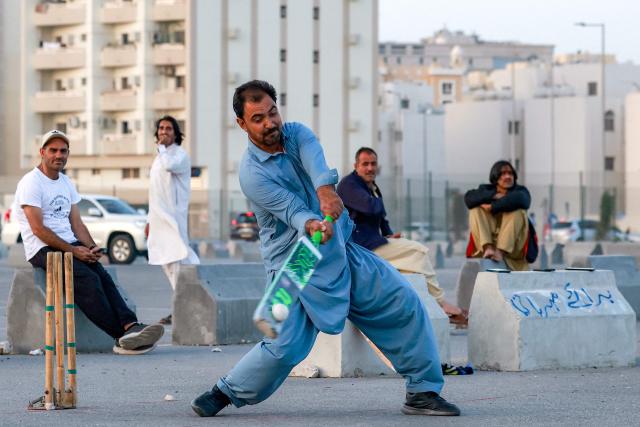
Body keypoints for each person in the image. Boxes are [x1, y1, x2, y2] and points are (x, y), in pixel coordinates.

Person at [190, 80, 460, 417]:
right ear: (242, 124)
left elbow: (316, 163)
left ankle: (422, 392)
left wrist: (326, 191)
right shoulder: (251, 174)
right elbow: (292, 211)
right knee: (284, 347)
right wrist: (312, 222)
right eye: (258, 118)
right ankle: (224, 392)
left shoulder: (297, 134)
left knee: (402, 304)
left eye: (272, 112)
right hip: (298, 262)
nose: (270, 123)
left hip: (340, 248)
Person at [14, 130, 164, 355]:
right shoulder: (31, 182)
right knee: (88, 280)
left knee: (103, 276)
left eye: (63, 151)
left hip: (67, 244)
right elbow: (38, 229)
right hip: (42, 248)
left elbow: (77, 224)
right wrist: (74, 250)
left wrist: (92, 248)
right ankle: (120, 337)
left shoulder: (66, 182)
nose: (58, 155)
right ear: (42, 152)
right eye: (53, 150)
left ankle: (130, 325)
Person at [336, 147, 466, 324]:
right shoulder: (348, 184)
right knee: (418, 252)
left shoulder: (370, 187)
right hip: (361, 246)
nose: (369, 168)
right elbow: (371, 207)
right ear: (356, 166)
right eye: (365, 164)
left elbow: (381, 217)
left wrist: (389, 234)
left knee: (409, 268)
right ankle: (441, 302)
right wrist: (376, 200)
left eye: (373, 164)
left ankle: (417, 310)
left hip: (371, 242)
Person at [146, 116, 200, 325]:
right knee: (164, 259)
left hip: (174, 216)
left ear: (176, 133)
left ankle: (185, 305)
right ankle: (182, 302)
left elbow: (169, 166)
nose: (164, 132)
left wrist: (161, 150)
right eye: (161, 128)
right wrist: (149, 221)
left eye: (168, 129)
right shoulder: (159, 157)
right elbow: (154, 191)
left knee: (179, 256)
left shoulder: (179, 155)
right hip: (158, 216)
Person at [464, 160, 530, 271]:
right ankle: (488, 247)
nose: (508, 176)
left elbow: (523, 200)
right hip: (490, 241)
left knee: (518, 211)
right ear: (495, 177)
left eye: (510, 173)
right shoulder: (486, 189)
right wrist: (495, 195)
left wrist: (494, 207)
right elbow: (469, 198)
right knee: (475, 210)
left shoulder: (520, 191)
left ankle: (500, 251)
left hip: (513, 247)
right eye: (503, 174)